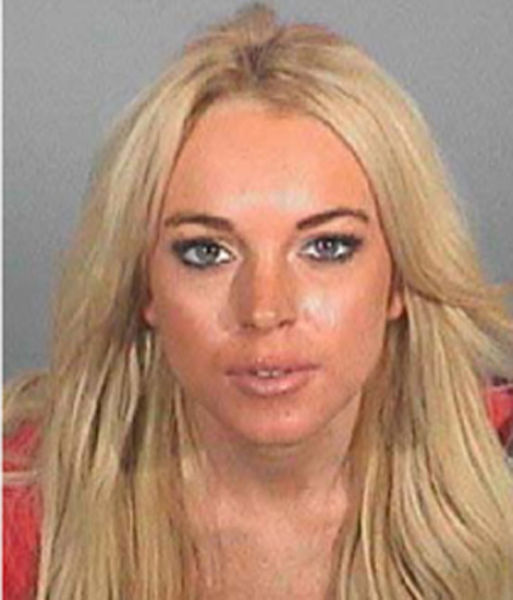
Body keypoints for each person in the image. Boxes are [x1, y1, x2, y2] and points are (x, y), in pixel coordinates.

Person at [4, 4, 513, 599]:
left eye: (327, 246)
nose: (265, 310)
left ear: (400, 277)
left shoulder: (501, 466)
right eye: (206, 252)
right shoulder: (26, 505)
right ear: (145, 286)